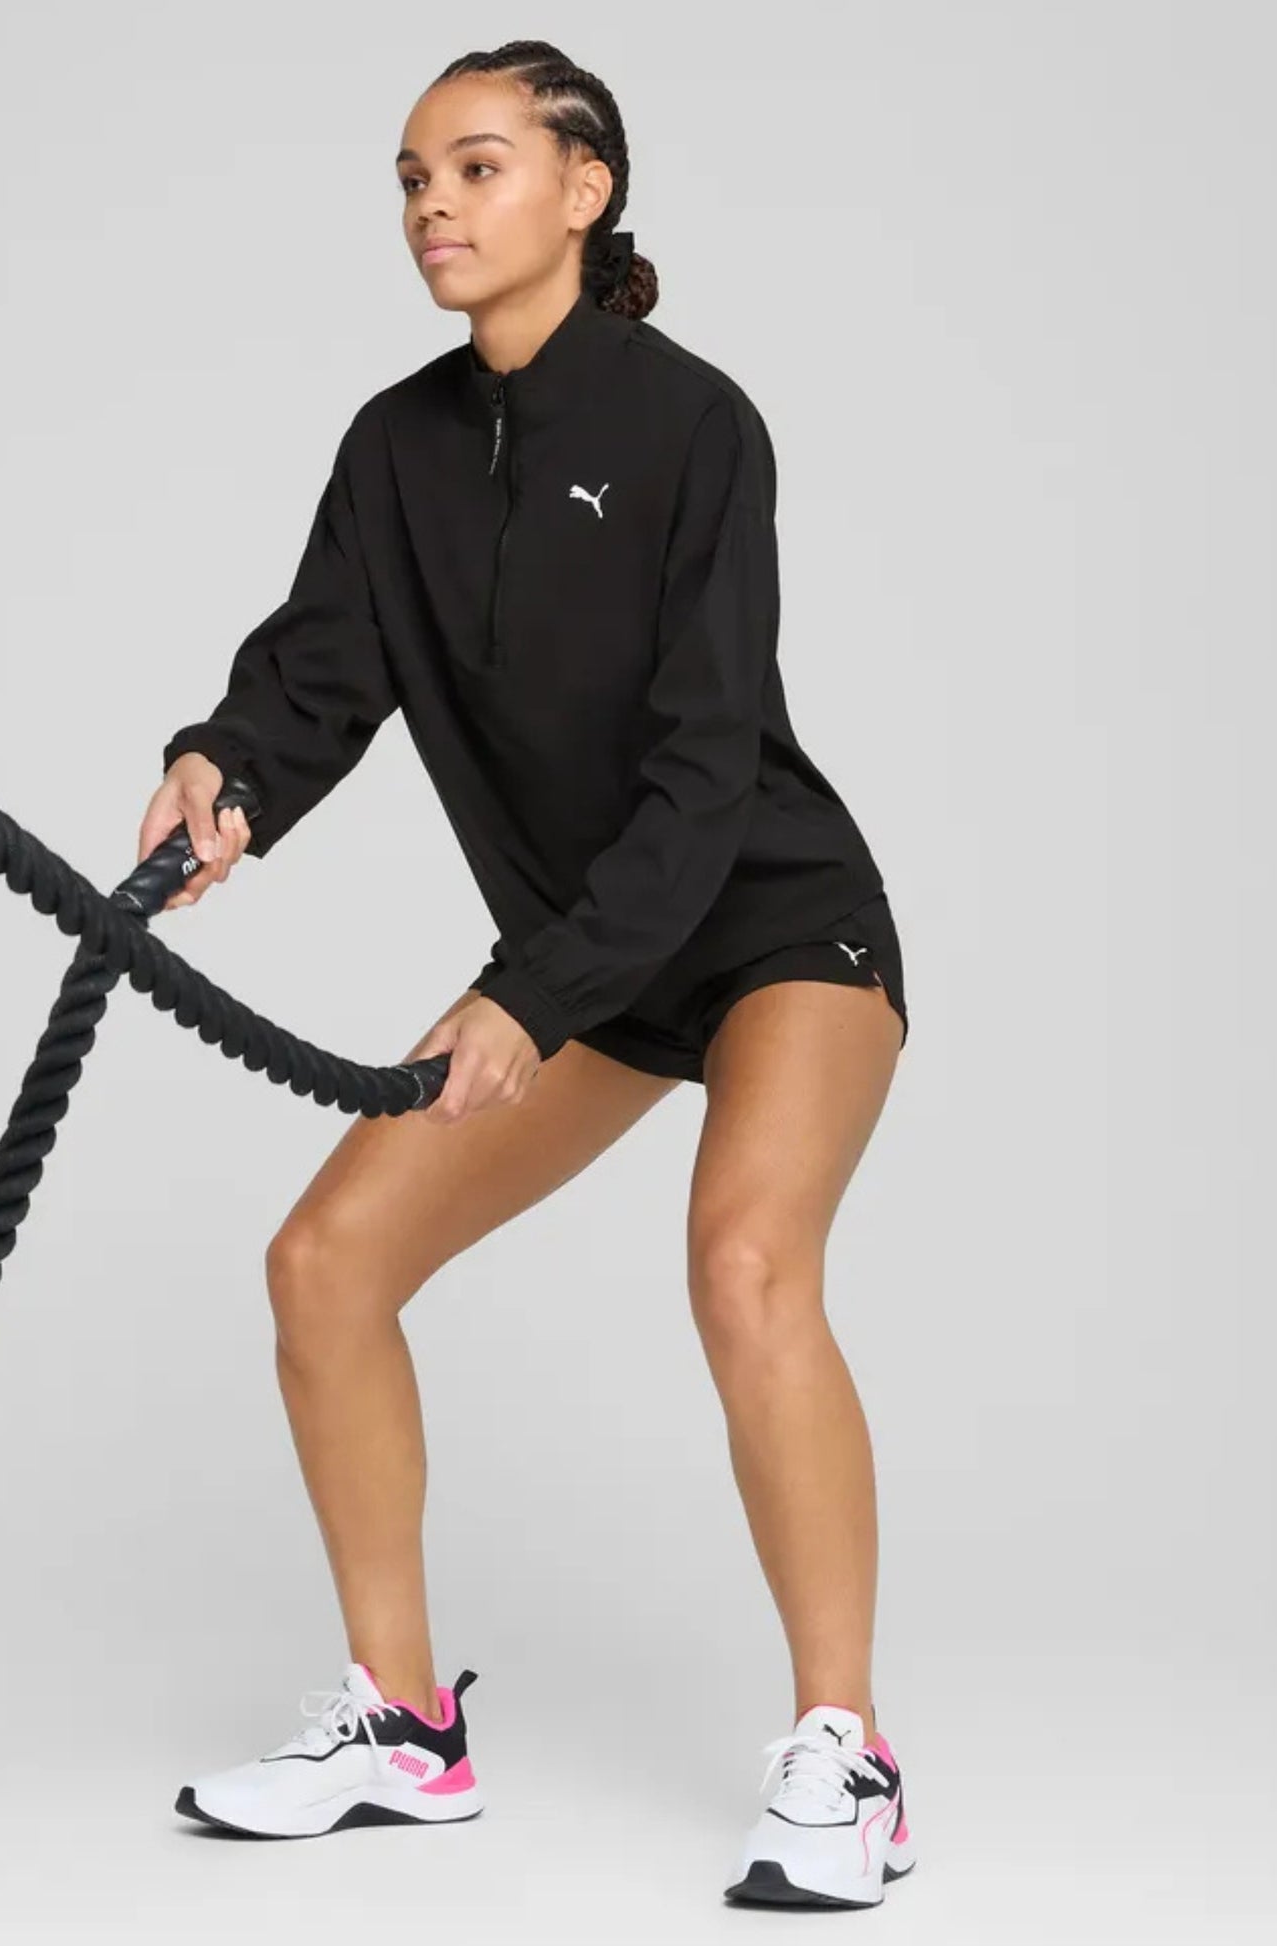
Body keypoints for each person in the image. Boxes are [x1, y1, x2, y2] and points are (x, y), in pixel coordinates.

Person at [140, 39, 914, 1911]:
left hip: (772, 925)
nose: (433, 204)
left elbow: (705, 765)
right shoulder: (394, 446)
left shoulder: (694, 424)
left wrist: (530, 995)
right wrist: (223, 767)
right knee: (325, 1264)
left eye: (476, 166)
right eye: (412, 177)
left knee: (742, 1262)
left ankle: (847, 1756)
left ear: (584, 188)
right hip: (584, 958)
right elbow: (318, 668)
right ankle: (402, 1727)